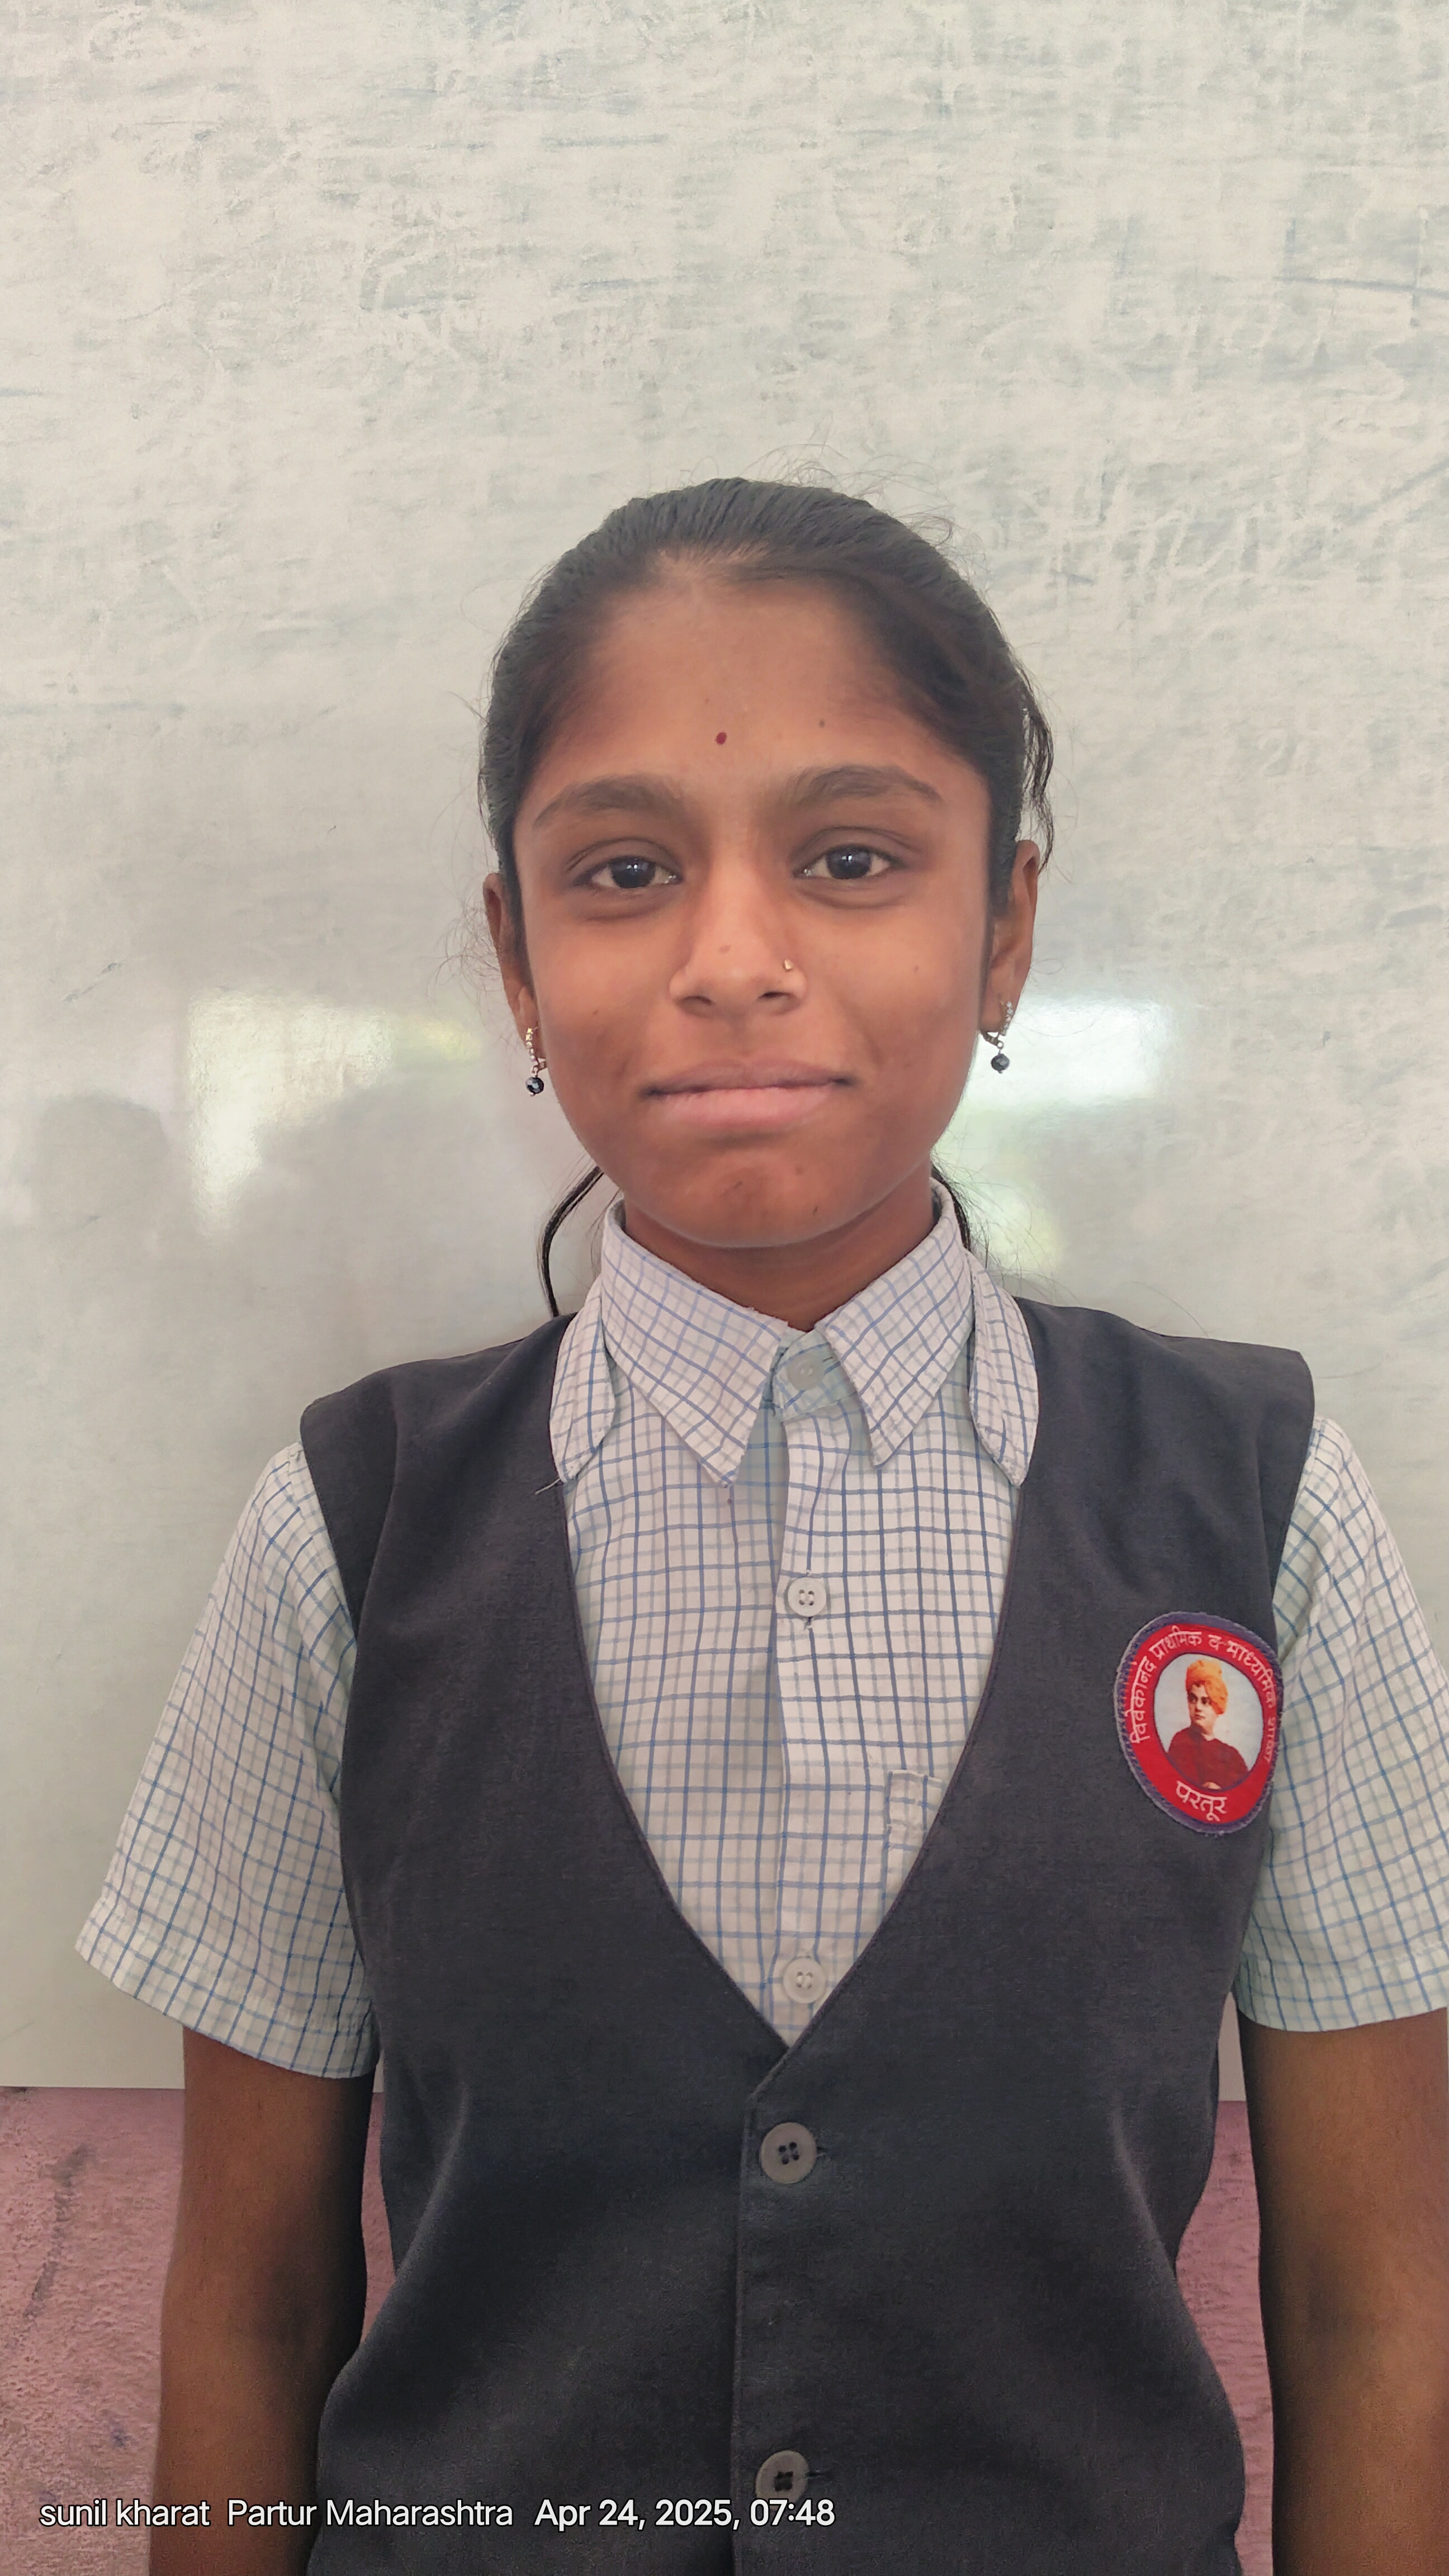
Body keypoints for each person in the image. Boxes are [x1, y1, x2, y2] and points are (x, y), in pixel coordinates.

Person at [79, 480, 1449, 2575]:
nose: (733, 962)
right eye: (624, 871)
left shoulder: (1255, 1505)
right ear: (515, 955)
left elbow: (1372, 2310)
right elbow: (252, 2304)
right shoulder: (347, 1535)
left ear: (1002, 926)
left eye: (851, 858)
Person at [1165, 1657, 1251, 1793]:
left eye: (1205, 1702)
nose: (1198, 1707)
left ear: (1217, 1707)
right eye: (1193, 1699)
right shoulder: (1181, 1742)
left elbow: (1246, 1794)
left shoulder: (1233, 1756)